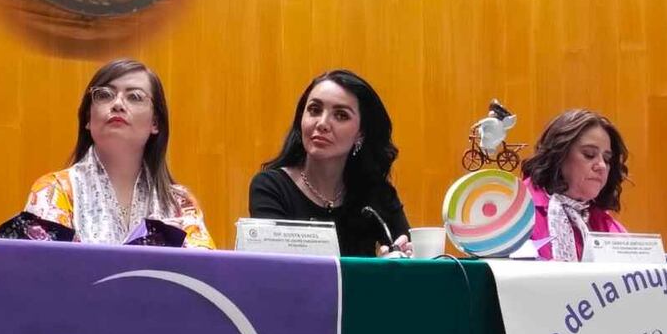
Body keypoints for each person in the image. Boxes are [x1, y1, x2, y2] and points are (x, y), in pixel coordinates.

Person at [22, 59, 214, 248]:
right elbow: (41, 272)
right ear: (88, 119)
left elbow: (202, 274)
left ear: (155, 123)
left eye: (135, 97)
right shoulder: (54, 191)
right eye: (105, 95)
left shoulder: (179, 203)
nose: (118, 104)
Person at [249, 69, 412, 257]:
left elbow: (409, 261)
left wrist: (399, 262)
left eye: (341, 115)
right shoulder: (271, 188)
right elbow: (274, 270)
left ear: (361, 133)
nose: (322, 123)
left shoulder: (376, 194)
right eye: (314, 110)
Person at [521, 109, 631, 261]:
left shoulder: (605, 224)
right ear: (559, 155)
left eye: (606, 159)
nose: (602, 166)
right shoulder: (516, 210)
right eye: (589, 155)